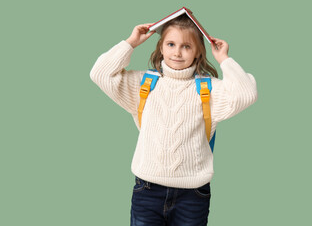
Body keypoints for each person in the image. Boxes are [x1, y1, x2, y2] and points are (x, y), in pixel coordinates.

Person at [90, 14, 258, 226]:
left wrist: (224, 59)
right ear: (161, 47)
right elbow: (100, 74)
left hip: (193, 196)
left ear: (198, 52)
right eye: (171, 44)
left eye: (186, 46)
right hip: (147, 191)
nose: (177, 52)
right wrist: (130, 43)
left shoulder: (208, 89)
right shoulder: (143, 84)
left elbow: (247, 93)